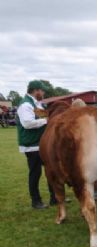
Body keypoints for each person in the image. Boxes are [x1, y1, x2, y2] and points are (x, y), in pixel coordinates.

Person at [16, 80, 55, 209]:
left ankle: (54, 197)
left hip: (41, 144)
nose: (43, 93)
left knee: (51, 170)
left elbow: (42, 116)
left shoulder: (35, 104)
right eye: (42, 90)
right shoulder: (25, 105)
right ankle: (36, 201)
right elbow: (27, 123)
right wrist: (45, 120)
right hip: (31, 145)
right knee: (35, 173)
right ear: (36, 90)